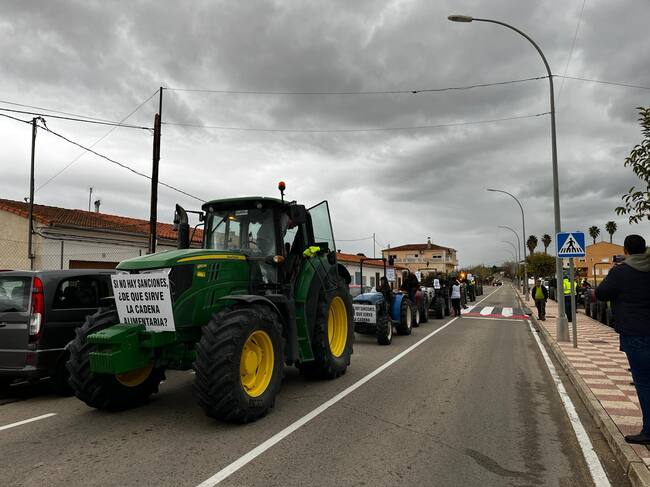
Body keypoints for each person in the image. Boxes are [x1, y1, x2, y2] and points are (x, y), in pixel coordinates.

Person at [596, 234, 650, 444]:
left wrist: (613, 272)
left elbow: (601, 293)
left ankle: (649, 430)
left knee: (644, 381)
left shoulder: (622, 272)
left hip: (636, 332)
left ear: (626, 251)